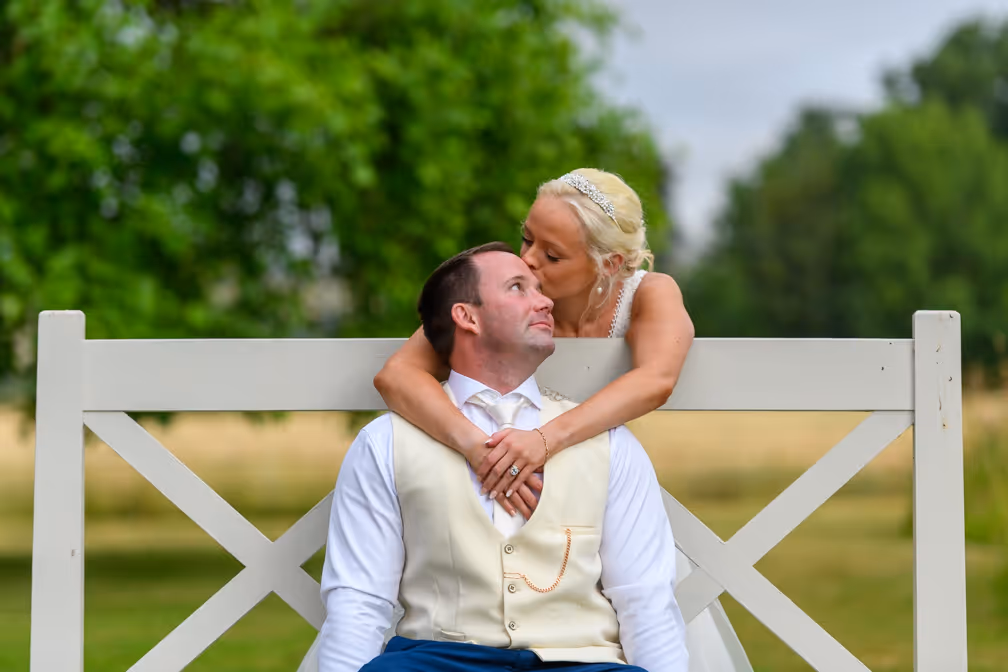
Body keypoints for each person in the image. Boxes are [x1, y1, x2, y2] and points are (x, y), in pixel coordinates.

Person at [370, 169, 752, 671]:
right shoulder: (503, 303)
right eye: (526, 238)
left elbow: (656, 379)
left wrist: (544, 440)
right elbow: (397, 374)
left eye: (551, 256)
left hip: (595, 517)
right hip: (491, 519)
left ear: (608, 264)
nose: (528, 259)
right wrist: (479, 450)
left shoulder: (649, 294)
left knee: (643, 617)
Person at [310, 243, 689, 671]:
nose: (546, 301)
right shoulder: (386, 443)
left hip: (581, 661)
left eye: (540, 288)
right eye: (518, 288)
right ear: (467, 317)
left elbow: (646, 598)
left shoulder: (610, 444)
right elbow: (359, 599)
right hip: (438, 661)